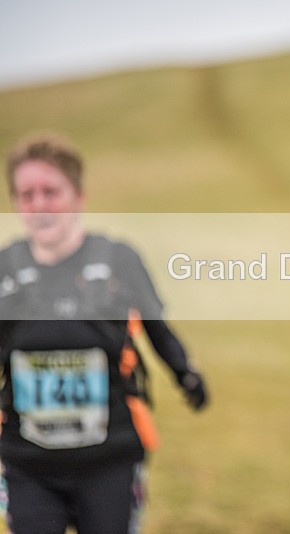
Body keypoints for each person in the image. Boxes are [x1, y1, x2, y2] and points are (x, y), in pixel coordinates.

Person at [0, 134, 208, 534]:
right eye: (26, 195)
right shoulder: (5, 269)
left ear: (78, 195)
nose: (39, 205)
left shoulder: (118, 260)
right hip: (27, 463)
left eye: (50, 191)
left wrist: (185, 373)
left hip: (111, 459)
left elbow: (156, 329)